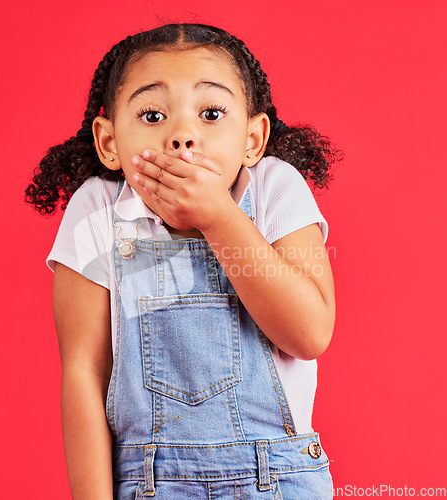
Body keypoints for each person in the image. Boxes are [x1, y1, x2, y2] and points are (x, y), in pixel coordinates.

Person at [25, 23, 341, 500]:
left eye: (211, 113)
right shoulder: (97, 210)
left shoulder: (275, 188)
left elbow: (309, 333)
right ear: (110, 143)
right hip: (146, 482)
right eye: (152, 115)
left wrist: (219, 216)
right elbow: (84, 372)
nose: (183, 136)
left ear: (253, 139)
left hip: (276, 478)